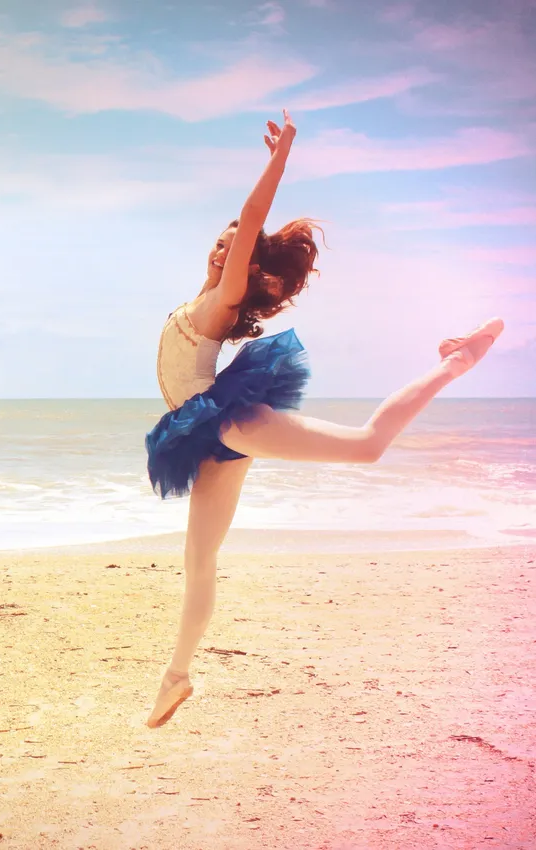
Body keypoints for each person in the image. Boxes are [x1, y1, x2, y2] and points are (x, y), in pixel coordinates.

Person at [143, 109, 504, 728]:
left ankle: (454, 364)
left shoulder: (226, 297)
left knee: (366, 447)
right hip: (205, 436)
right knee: (199, 562)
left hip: (222, 420)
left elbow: (254, 216)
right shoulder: (204, 294)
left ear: (247, 266)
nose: (224, 245)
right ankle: (177, 676)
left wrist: (279, 156)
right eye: (221, 238)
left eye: (236, 245)